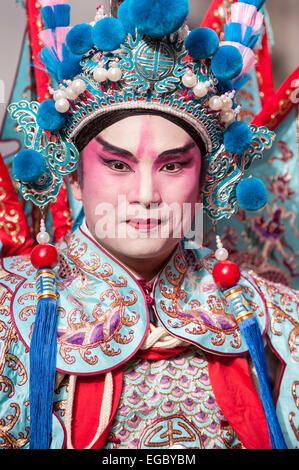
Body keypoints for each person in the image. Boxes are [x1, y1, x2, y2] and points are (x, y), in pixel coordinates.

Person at [0, 0, 298, 450]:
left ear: (206, 182)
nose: (146, 194)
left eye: (173, 166)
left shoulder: (274, 320)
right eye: (118, 165)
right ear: (75, 178)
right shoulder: (8, 310)